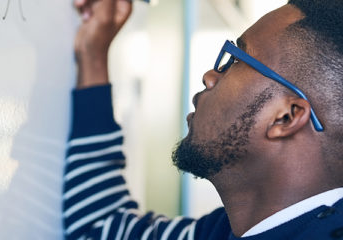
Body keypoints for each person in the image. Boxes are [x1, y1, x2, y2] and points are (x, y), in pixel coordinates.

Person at [63, 0, 343, 239]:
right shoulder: (232, 230)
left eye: (235, 59)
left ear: (285, 117)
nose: (210, 77)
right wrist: (93, 53)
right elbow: (101, 228)